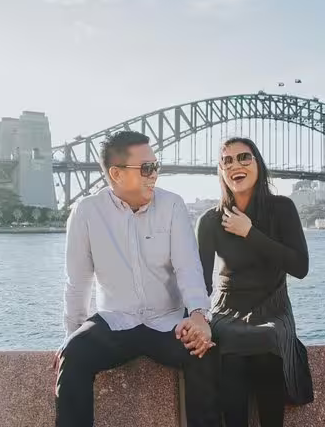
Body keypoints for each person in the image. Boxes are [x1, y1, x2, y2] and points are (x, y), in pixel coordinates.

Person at [55, 131, 219, 427]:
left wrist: (198, 315)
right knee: (75, 354)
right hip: (116, 321)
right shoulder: (86, 212)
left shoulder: (172, 205)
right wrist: (71, 336)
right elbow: (77, 283)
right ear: (116, 173)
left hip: (168, 322)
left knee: (202, 350)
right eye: (146, 168)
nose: (154, 175)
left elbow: (188, 267)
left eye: (156, 166)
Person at [196, 137, 314, 427]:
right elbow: (200, 284)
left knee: (267, 339)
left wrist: (250, 232)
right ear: (221, 172)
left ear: (258, 164)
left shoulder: (282, 209)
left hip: (273, 307)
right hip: (227, 309)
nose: (236, 165)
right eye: (227, 161)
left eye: (244, 158)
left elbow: (300, 267)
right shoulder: (209, 221)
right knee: (230, 345)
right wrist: (195, 318)